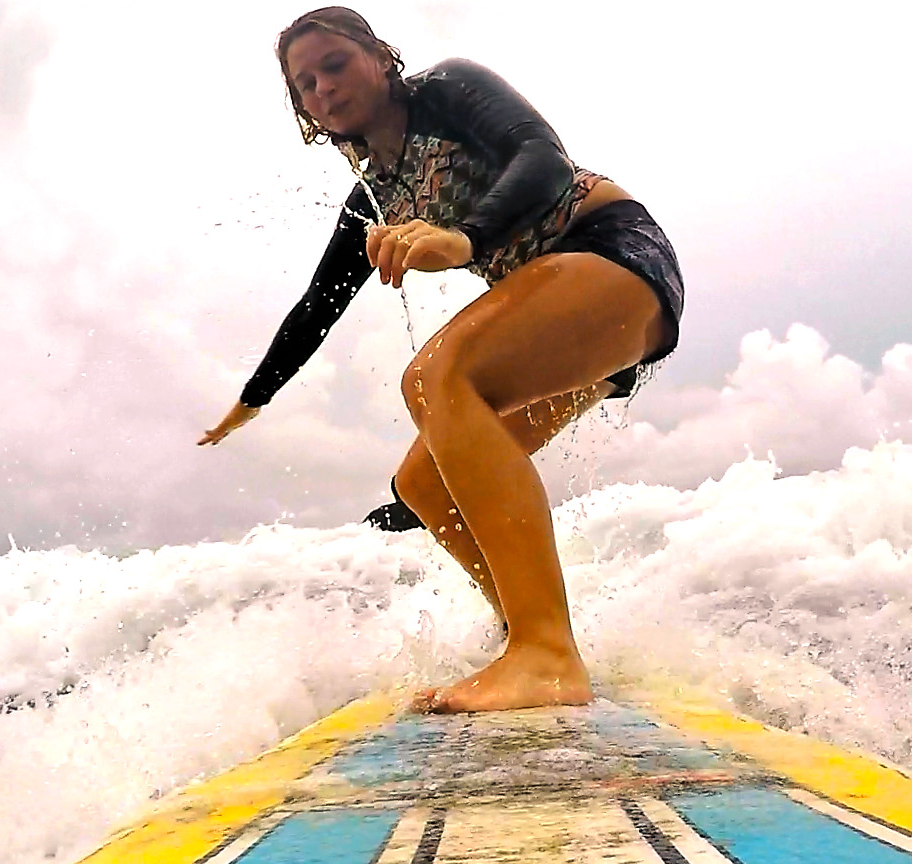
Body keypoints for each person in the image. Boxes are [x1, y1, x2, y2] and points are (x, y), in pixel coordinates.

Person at [198, 7, 684, 714]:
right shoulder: (372, 199)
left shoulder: (448, 91)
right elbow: (314, 308)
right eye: (304, 84)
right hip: (575, 325)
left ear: (378, 56)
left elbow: (541, 156)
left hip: (614, 255)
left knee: (436, 377)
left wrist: (464, 237)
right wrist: (250, 400)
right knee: (422, 483)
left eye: (333, 63)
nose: (322, 88)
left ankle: (547, 655)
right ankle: (523, 629)